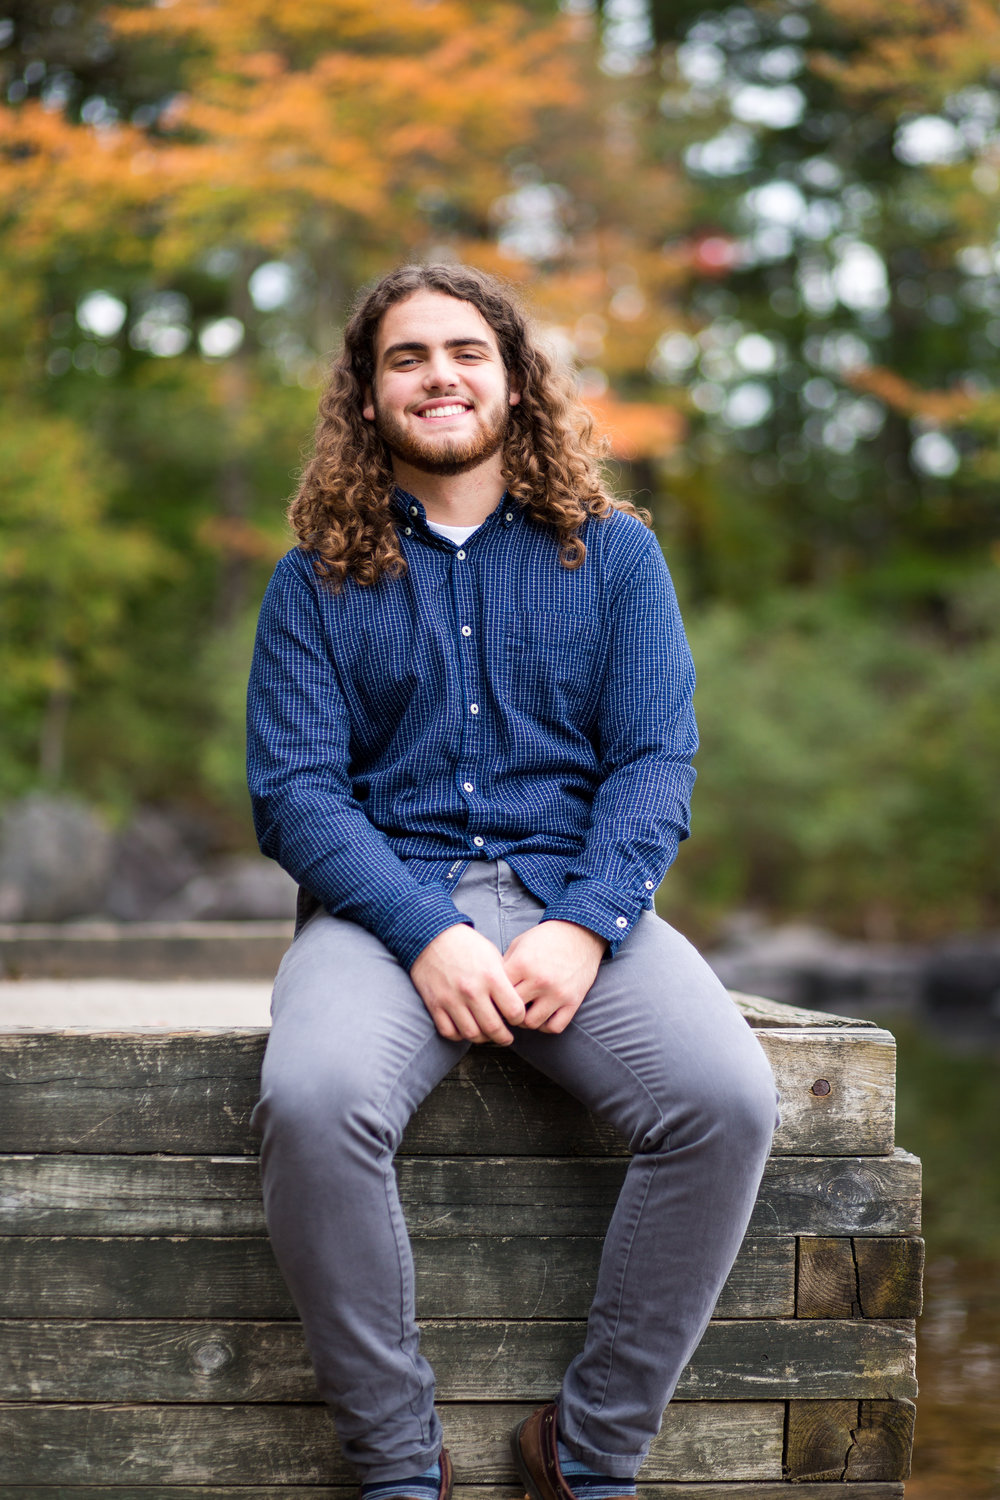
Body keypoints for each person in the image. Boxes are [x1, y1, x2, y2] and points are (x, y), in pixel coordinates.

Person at [246, 263, 778, 1500]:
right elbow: (297, 795)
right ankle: (394, 1465)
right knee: (316, 1102)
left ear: (513, 377)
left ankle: (587, 1452)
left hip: (574, 900)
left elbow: (654, 763)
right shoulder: (312, 581)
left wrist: (589, 923)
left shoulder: (619, 558)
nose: (439, 374)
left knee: (727, 1101)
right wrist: (426, 931)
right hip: (384, 912)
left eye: (465, 351)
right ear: (366, 397)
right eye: (406, 357)